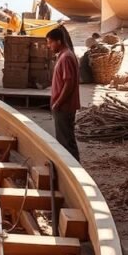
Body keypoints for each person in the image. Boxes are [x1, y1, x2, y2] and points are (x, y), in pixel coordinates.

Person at [46, 27, 81, 160]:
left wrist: (58, 102)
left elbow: (69, 83)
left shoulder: (66, 57)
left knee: (65, 142)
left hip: (64, 107)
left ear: (59, 41)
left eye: (50, 42)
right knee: (66, 139)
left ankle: (73, 171)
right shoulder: (65, 55)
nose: (49, 46)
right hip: (63, 106)